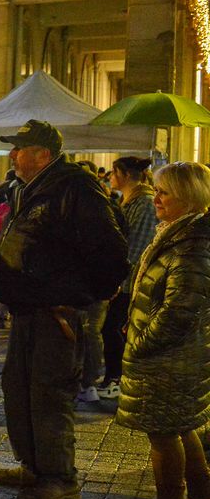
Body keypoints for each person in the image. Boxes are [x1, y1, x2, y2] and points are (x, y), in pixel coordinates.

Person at [0, 120, 128, 499]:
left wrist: (83, 295)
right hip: (27, 309)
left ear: (43, 154)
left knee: (50, 392)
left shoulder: (74, 187)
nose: (12, 155)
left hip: (57, 312)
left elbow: (111, 248)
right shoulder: (27, 188)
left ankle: (59, 475)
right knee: (18, 388)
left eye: (19, 149)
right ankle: (32, 465)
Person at [114, 162, 210, 499]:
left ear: (188, 197)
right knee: (182, 426)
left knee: (164, 432)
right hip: (179, 356)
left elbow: (180, 309)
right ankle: (200, 498)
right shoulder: (180, 234)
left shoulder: (190, 244)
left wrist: (141, 343)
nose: (156, 198)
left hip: (169, 358)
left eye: (165, 192)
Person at [98, 156, 156, 398]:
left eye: (114, 173)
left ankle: (118, 378)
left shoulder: (145, 204)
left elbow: (136, 247)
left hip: (129, 281)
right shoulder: (128, 200)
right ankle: (113, 375)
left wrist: (117, 280)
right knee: (110, 328)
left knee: (114, 328)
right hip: (121, 278)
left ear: (125, 174)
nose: (110, 178)